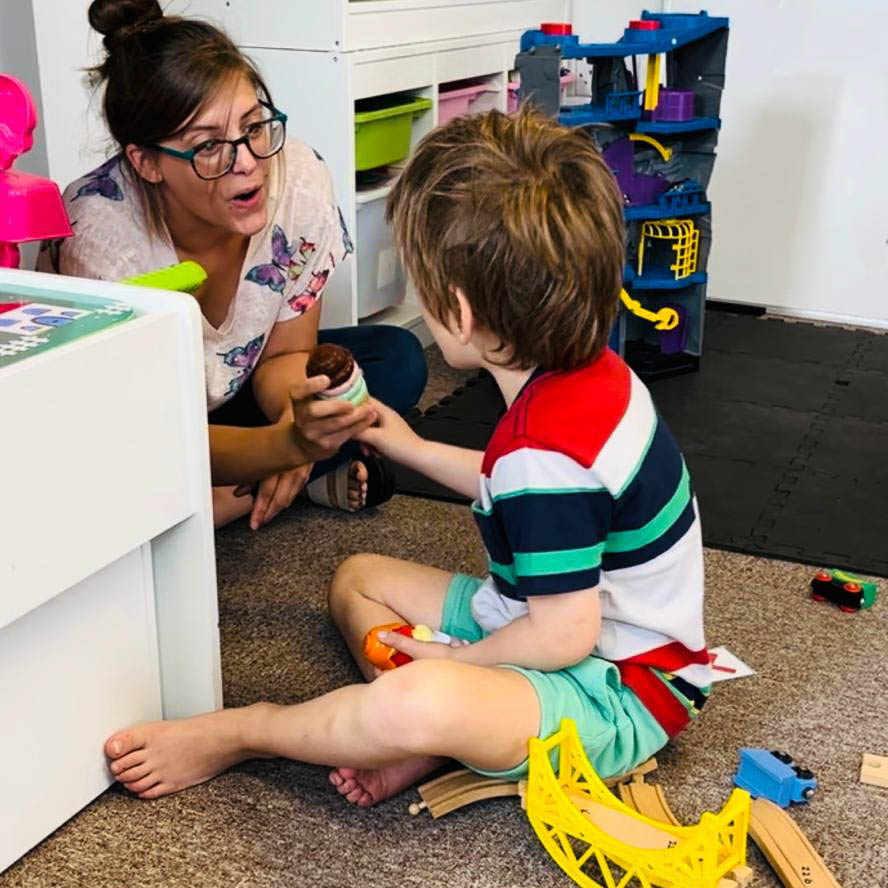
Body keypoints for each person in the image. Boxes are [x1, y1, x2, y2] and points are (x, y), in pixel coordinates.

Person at [103, 107, 714, 804]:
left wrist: (457, 659)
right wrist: (412, 448)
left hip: (618, 693)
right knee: (358, 577)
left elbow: (564, 636)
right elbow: (519, 490)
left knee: (414, 700)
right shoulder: (589, 375)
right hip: (546, 624)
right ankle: (438, 734)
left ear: (458, 310)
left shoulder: (545, 457)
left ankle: (252, 731)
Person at [38, 0, 427, 529]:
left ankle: (223, 502)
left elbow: (286, 356)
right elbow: (147, 428)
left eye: (254, 126)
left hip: (238, 394)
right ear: (146, 162)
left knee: (395, 358)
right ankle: (257, 493)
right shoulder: (99, 235)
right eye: (208, 147)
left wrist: (301, 425)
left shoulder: (299, 178)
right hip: (143, 422)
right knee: (98, 467)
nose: (247, 162)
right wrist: (288, 447)